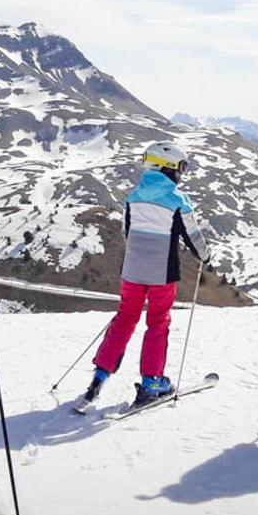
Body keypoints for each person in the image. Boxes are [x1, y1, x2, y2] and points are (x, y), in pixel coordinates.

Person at [78, 141, 210, 412]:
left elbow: (127, 232)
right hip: (162, 271)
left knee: (124, 319)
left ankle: (98, 378)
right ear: (170, 167)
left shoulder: (133, 196)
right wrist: (205, 257)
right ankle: (152, 382)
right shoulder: (177, 200)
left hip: (133, 270)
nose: (182, 173)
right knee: (158, 323)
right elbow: (193, 237)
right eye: (182, 167)